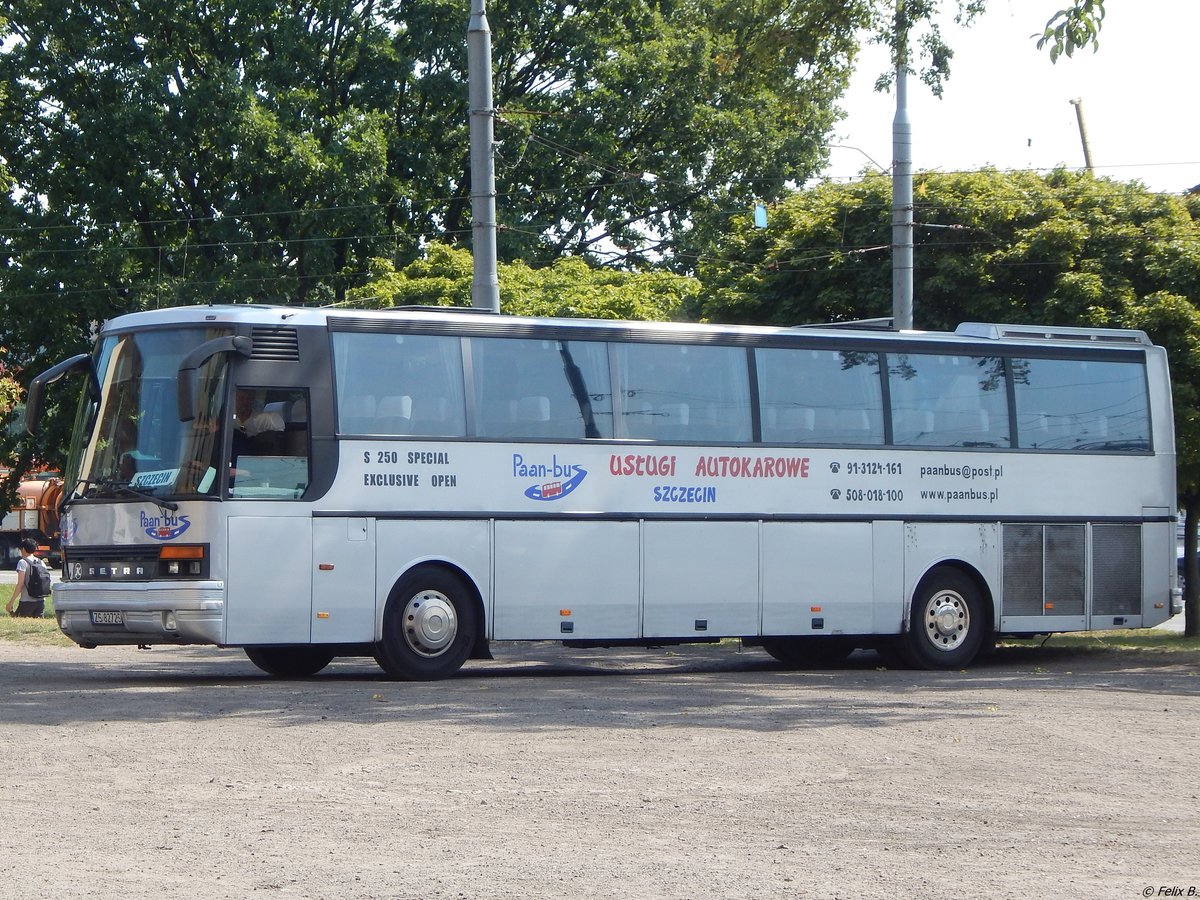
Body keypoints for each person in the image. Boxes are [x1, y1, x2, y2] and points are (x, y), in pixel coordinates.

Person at [6, 538, 49, 618]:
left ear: (23, 549)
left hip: (27, 601)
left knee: (19, 621)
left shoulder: (22, 562)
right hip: (41, 601)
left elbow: (20, 584)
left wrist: (11, 602)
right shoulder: (41, 562)